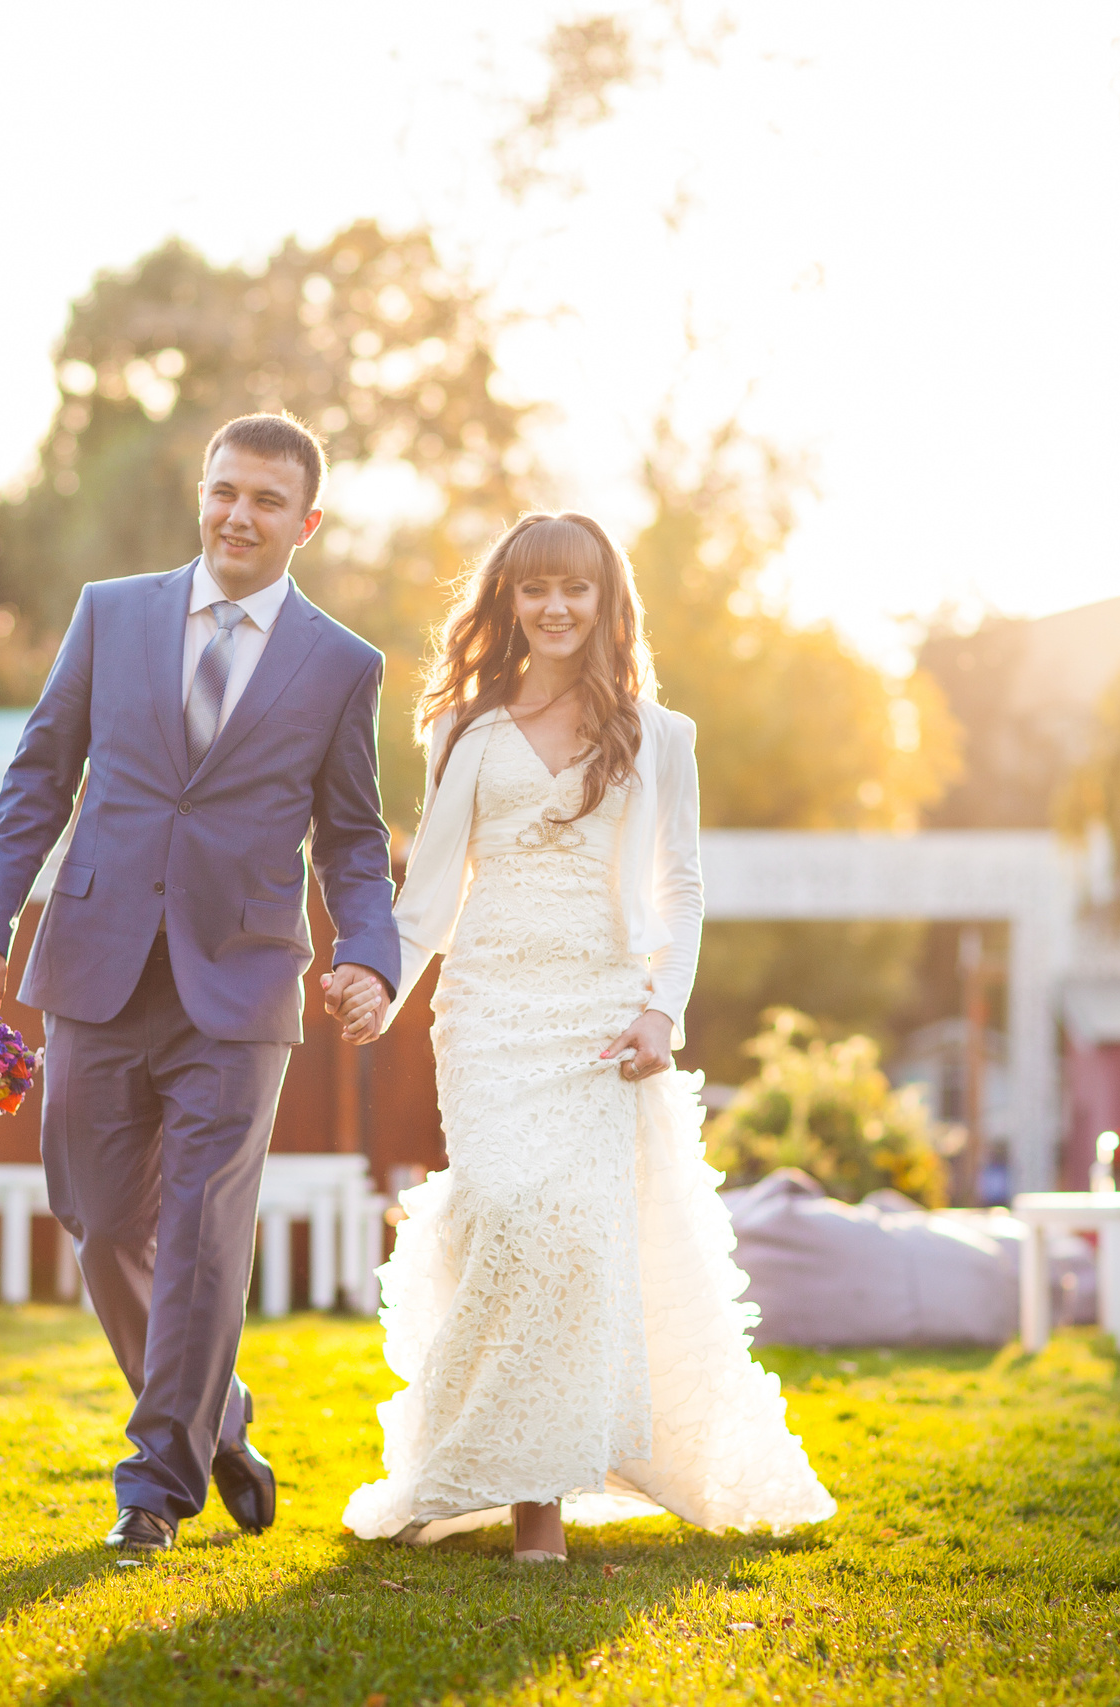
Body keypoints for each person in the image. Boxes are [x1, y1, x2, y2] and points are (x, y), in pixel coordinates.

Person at [0, 412, 400, 1555]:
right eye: (223, 491)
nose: (238, 516)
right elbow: (37, 778)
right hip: (97, 962)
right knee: (99, 1221)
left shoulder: (342, 665)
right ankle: (215, 1412)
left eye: (264, 500)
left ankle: (152, 1487)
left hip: (241, 985)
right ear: (202, 494)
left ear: (306, 521)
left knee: (202, 1231)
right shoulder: (113, 614)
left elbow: (352, 835)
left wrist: (366, 952)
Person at [338, 511, 833, 1562]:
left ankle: (537, 1504)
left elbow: (682, 886)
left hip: (603, 1017)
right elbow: (428, 893)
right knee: (509, 1213)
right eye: (533, 590)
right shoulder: (464, 731)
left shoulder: (662, 736)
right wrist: (380, 982)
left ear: (608, 601)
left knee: (573, 1237)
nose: (554, 608)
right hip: (488, 1015)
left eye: (575, 589)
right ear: (507, 603)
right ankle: (470, 1457)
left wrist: (664, 1009)